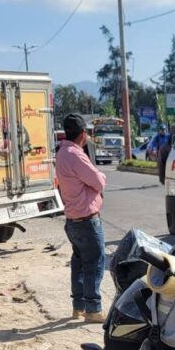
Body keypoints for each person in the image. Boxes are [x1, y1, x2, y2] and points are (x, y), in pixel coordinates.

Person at [55, 113, 106, 323]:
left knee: (79, 263)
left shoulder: (62, 152)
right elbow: (98, 182)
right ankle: (93, 310)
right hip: (87, 220)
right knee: (94, 263)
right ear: (83, 134)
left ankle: (79, 307)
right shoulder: (76, 155)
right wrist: (101, 177)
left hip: (72, 220)